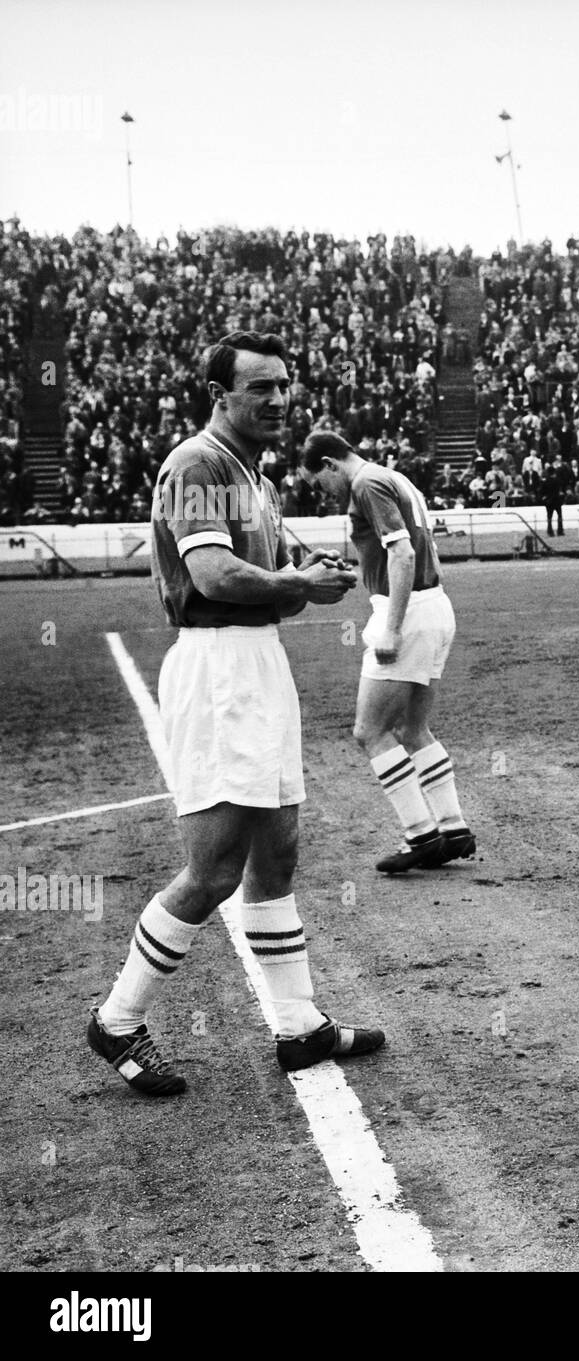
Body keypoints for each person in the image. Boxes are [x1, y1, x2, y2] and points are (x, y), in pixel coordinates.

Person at [87, 331, 383, 1097]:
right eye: (261, 388)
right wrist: (300, 582)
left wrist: (313, 571)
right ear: (220, 395)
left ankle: (298, 1024)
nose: (279, 399)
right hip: (218, 666)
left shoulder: (256, 475)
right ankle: (117, 1018)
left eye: (285, 385)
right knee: (214, 868)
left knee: (277, 850)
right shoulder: (199, 464)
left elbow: (279, 564)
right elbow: (212, 572)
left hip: (258, 662)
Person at [301, 431, 475, 874]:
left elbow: (401, 553)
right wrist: (359, 568)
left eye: (320, 484)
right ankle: (453, 828)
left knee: (369, 731)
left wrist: (391, 628)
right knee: (414, 728)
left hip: (407, 611)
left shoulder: (365, 484)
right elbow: (397, 550)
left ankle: (420, 836)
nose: (325, 495)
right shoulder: (393, 477)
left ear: (330, 464)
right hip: (435, 606)